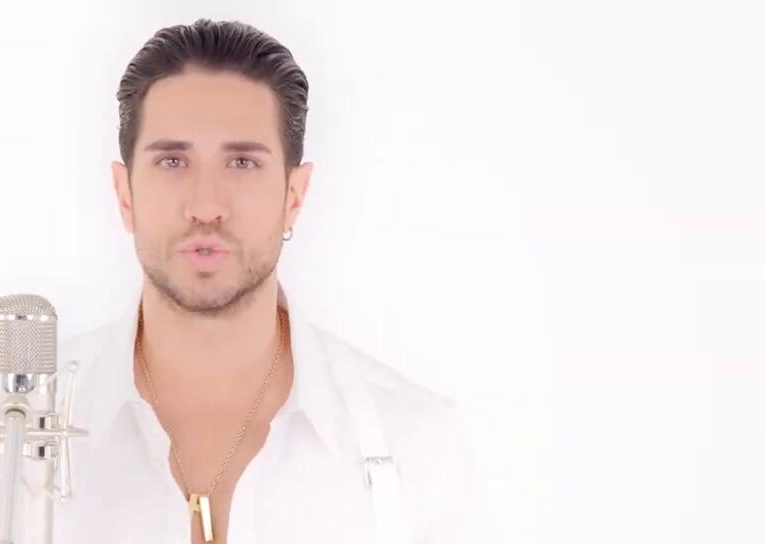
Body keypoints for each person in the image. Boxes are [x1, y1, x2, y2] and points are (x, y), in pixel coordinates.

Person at [52, 18, 493, 544]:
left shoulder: (415, 444)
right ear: (125, 194)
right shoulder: (4, 435)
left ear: (294, 196)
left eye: (242, 162)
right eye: (172, 160)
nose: (206, 205)